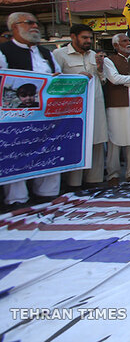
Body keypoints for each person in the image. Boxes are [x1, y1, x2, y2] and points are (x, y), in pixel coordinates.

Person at [0, 12, 61, 208]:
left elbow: (58, 77)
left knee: (48, 150)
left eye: (36, 23)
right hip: (16, 119)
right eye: (29, 23)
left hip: (46, 115)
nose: (35, 26)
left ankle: (46, 193)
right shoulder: (3, 52)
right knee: (16, 154)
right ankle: (17, 199)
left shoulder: (46, 53)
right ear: (14, 27)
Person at [53, 23, 108, 188]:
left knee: (97, 141)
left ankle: (94, 180)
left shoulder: (94, 55)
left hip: (95, 105)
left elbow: (103, 80)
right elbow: (55, 81)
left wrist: (99, 68)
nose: (88, 41)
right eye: (84, 37)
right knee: (76, 141)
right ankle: (73, 182)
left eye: (90, 38)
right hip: (73, 108)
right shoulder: (59, 54)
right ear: (73, 37)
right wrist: (77, 77)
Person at [104, 33, 130, 186]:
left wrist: (126, 81)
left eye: (129, 40)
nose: (128, 43)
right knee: (115, 139)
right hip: (117, 105)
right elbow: (114, 79)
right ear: (116, 45)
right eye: (124, 41)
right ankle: (113, 174)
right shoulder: (109, 61)